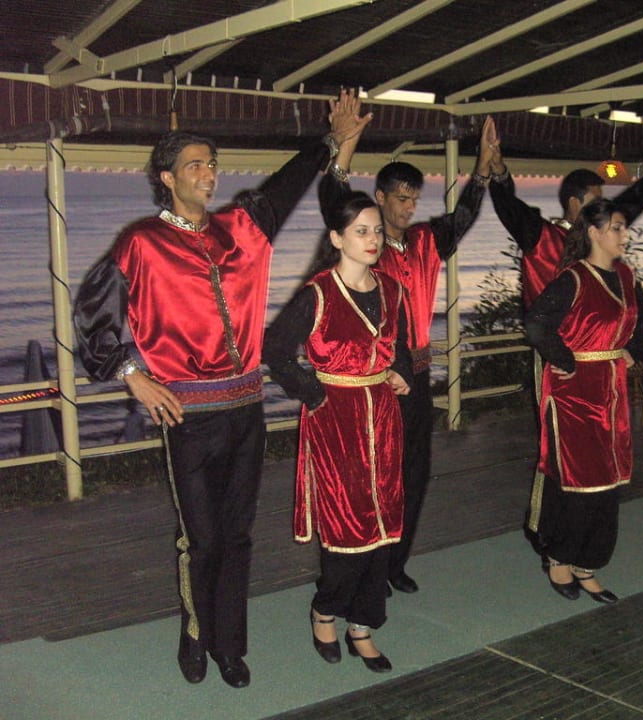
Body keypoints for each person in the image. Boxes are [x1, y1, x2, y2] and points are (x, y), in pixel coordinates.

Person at [72, 91, 370, 688]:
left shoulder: (244, 227)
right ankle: (195, 632)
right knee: (201, 540)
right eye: (195, 165)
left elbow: (288, 184)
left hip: (246, 408)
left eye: (212, 164)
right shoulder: (141, 243)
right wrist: (133, 375)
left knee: (237, 536)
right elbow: (93, 315)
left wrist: (332, 141)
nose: (209, 174)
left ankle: (230, 646)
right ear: (167, 178)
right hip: (188, 415)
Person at [317, 111, 500, 596]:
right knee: (375, 476)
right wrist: (344, 148)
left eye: (414, 199)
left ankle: (395, 562)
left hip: (416, 376)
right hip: (376, 380)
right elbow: (334, 200)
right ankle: (365, 565)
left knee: (415, 474)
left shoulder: (425, 242)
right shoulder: (365, 249)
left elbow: (464, 215)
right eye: (400, 198)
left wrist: (482, 167)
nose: (408, 207)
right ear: (380, 198)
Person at [263, 191, 411, 674]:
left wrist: (397, 371)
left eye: (377, 231)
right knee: (348, 526)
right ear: (337, 238)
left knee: (382, 525)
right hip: (336, 419)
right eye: (360, 231)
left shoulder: (392, 290)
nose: (373, 239)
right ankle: (325, 610)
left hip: (383, 416)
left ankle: (363, 625)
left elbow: (398, 346)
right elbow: (275, 350)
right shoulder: (319, 294)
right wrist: (313, 392)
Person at [524, 198, 643, 604]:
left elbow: (640, 323)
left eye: (624, 227)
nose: (624, 234)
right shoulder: (573, 279)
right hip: (574, 395)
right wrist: (565, 360)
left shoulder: (626, 276)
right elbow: (537, 324)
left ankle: (588, 563)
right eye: (616, 227)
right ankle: (559, 556)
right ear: (594, 232)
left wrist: (632, 350)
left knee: (609, 482)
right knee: (578, 481)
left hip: (611, 390)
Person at [487, 138, 643, 309]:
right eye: (595, 202)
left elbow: (631, 202)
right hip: (552, 327)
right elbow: (508, 206)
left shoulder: (599, 235)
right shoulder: (542, 237)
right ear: (574, 204)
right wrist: (499, 170)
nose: (599, 209)